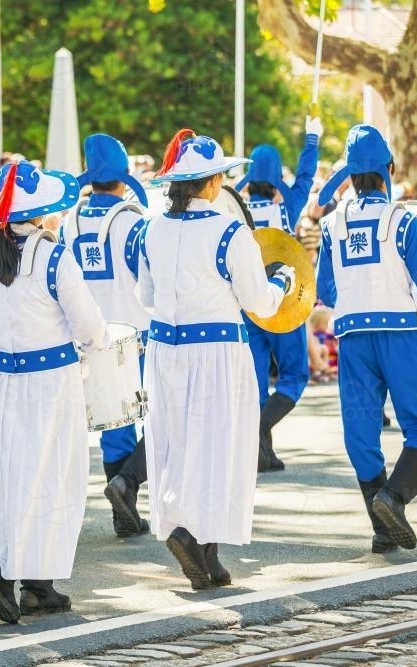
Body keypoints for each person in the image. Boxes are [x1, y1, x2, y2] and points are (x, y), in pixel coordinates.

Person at [141, 130, 292, 590]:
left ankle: (206, 556)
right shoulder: (231, 231)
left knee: (177, 445)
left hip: (165, 350)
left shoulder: (152, 228)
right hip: (217, 351)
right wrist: (284, 281)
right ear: (209, 183)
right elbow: (260, 304)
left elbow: (144, 296)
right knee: (220, 448)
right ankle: (196, 540)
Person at [0, 160, 107, 623]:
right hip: (49, 381)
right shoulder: (54, 256)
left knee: (5, 478)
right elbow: (89, 327)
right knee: (51, 478)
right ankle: (9, 572)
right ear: (42, 210)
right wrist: (95, 342)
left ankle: (32, 581)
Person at [315, 124, 417, 554]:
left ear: (348, 174)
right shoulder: (404, 222)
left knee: (361, 434)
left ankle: (382, 528)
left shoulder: (331, 225)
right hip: (401, 333)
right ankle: (394, 498)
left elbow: (326, 291)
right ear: (389, 169)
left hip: (352, 338)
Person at [61, 133, 151, 538]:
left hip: (92, 336)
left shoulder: (69, 222)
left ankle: (123, 513)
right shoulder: (133, 221)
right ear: (124, 177)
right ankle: (128, 484)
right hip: (137, 333)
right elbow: (149, 281)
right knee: (162, 417)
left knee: (116, 422)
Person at [233, 117, 321, 472]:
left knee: (255, 385)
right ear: (274, 184)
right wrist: (312, 138)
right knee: (295, 376)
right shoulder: (285, 207)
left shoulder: (233, 210)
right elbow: (305, 178)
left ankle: (261, 453)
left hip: (247, 307)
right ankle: (259, 432)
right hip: (284, 306)